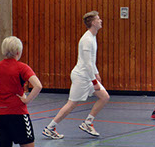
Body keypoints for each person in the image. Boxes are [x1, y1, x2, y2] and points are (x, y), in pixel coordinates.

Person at [43, 11, 110, 139]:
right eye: (98, 19)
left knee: (104, 97)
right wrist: (94, 81)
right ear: (93, 23)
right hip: (81, 77)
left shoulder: (93, 37)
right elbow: (87, 63)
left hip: (88, 76)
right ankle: (50, 128)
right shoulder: (87, 40)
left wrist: (96, 74)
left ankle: (88, 123)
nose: (101, 20)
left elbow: (91, 61)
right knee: (71, 104)